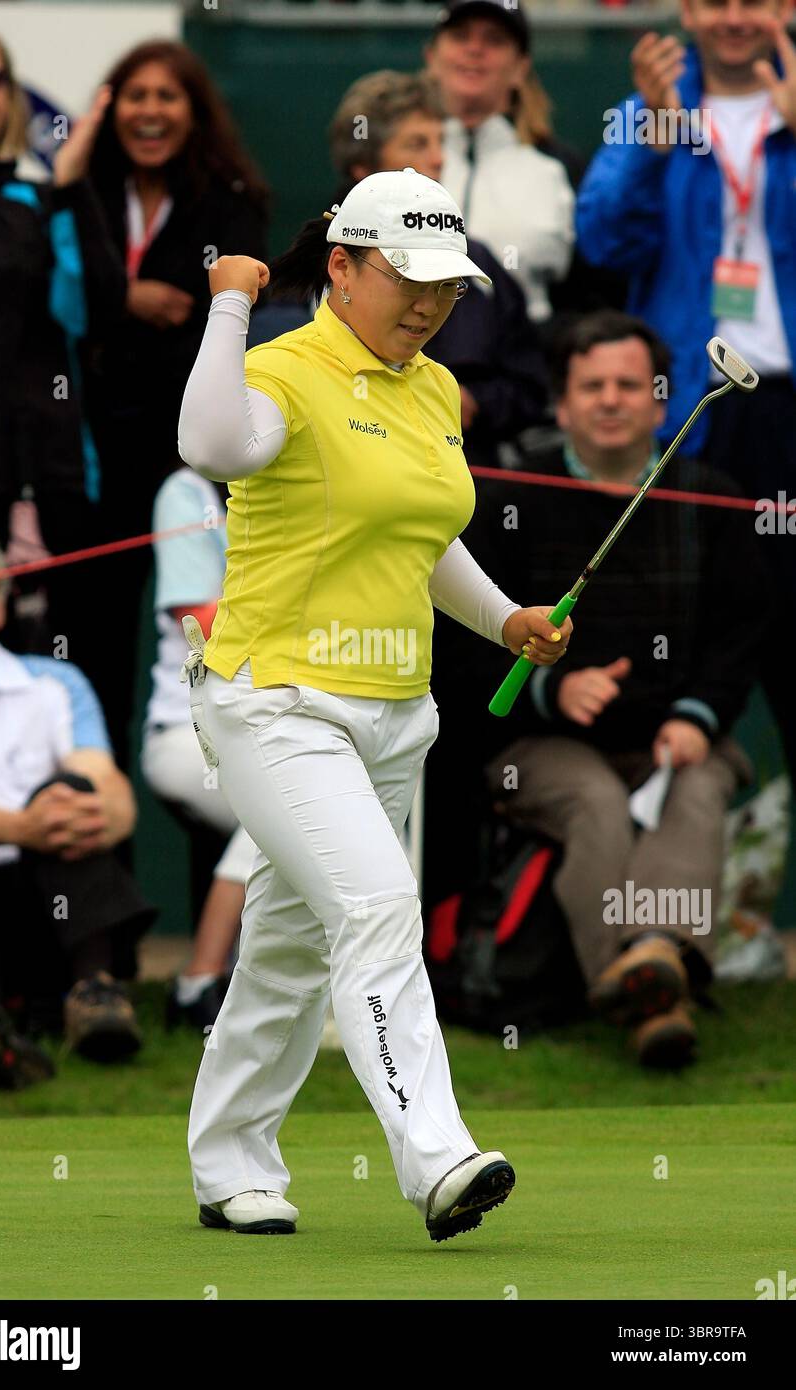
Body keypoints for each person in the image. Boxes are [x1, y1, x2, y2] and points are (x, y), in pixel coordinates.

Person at [176, 167, 573, 1241]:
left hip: (397, 712)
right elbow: (211, 447)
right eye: (410, 281)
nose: (431, 306)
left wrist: (504, 621)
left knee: (293, 948)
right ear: (342, 267)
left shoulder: (433, 387)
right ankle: (438, 1157)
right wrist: (228, 301)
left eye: (447, 288)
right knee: (378, 911)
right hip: (276, 701)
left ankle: (228, 1162)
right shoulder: (284, 366)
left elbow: (424, 534)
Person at [450, 312, 768, 1068]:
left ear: (661, 404)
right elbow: (463, 644)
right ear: (559, 403)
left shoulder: (711, 497)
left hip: (676, 737)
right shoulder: (505, 498)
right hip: (541, 744)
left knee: (693, 789)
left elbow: (741, 635)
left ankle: (650, 960)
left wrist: (698, 716)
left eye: (629, 384)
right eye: (590, 385)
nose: (610, 399)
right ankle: (645, 990)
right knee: (592, 799)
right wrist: (552, 693)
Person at [576, 0, 796, 796]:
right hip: (688, 411)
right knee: (678, 638)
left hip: (784, 409)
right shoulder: (651, 110)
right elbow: (603, 240)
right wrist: (658, 137)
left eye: (755, 0)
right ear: (687, 11)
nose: (735, 17)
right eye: (716, 0)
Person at [83, 40, 269, 765]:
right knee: (97, 653)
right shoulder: (85, 196)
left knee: (210, 663)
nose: (150, 112)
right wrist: (121, 298)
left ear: (194, 112)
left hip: (191, 461)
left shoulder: (232, 203)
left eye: (168, 96)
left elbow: (227, 319)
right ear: (109, 109)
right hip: (95, 465)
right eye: (135, 96)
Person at [0, 17, 125, 678]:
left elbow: (98, 310)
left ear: (11, 98)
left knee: (50, 682)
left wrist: (72, 188)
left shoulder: (44, 202)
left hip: (48, 492)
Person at [0, 527, 155, 1088]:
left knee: (73, 794)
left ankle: (93, 995)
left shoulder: (56, 682)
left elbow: (111, 789)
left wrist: (85, 815)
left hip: (46, 899)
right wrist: (24, 827)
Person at [328, 68, 549, 469]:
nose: (439, 157)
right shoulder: (319, 261)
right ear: (362, 165)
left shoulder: (478, 263)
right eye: (417, 143)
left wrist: (474, 402)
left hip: (464, 476)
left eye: (441, 141)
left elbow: (529, 387)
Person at [141, 465, 259, 1029]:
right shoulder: (187, 491)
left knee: (307, 810)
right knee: (284, 811)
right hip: (189, 731)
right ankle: (202, 980)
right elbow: (199, 623)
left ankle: (223, 988)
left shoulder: (313, 475)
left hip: (274, 726)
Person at [424, 0, 575, 327]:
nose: (475, 50)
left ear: (521, 67)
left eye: (494, 39)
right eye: (461, 36)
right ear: (432, 57)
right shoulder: (388, 158)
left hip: (522, 365)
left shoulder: (559, 167)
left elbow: (583, 292)